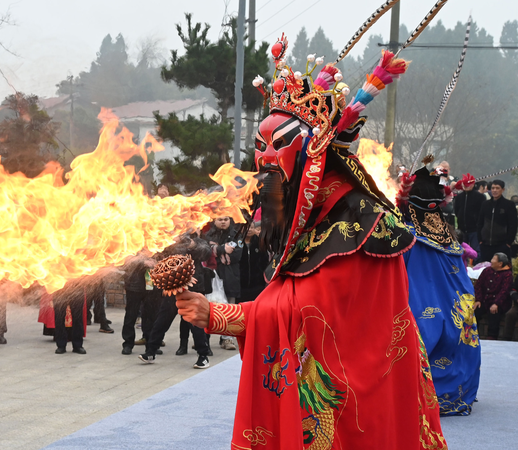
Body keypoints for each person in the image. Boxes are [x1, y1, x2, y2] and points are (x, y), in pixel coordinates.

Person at [174, 34, 445, 448]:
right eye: (260, 146)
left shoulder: (358, 220)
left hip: (362, 401)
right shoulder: (313, 216)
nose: (264, 160)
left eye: (279, 143)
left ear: (314, 150)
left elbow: (309, 309)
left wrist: (220, 315)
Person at [401, 166, 481, 416]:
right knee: (459, 332)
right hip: (457, 310)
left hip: (421, 311)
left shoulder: (406, 239)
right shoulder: (452, 241)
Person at [140, 233, 212, 369]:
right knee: (162, 321)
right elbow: (157, 254)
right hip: (172, 288)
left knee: (195, 323)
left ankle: (203, 356)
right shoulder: (168, 242)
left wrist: (191, 244)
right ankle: (150, 352)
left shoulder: (197, 242)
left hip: (192, 289)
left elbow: (205, 254)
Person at [204, 216, 241, 351]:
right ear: (214, 221)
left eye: (226, 219)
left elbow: (237, 254)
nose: (223, 221)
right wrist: (222, 250)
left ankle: (227, 339)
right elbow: (206, 253)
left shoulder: (237, 235)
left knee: (230, 309)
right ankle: (204, 340)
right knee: (209, 309)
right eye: (220, 219)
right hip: (212, 276)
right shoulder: (208, 235)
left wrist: (216, 251)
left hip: (231, 275)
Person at [120, 255, 158, 355]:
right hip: (134, 285)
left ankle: (151, 344)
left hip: (151, 285)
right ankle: (128, 344)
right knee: (131, 315)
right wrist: (143, 263)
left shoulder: (156, 241)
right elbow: (126, 261)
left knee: (150, 316)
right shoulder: (130, 241)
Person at [474, 253, 513, 340]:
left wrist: (496, 303)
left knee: (494, 312)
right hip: (484, 300)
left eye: (494, 259)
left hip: (499, 302)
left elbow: (504, 291)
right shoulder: (487, 271)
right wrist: (478, 299)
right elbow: (478, 286)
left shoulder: (507, 274)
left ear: (500, 263)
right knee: (476, 310)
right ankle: (472, 334)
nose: (491, 261)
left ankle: (492, 337)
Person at [477, 180, 518, 264]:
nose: (495, 190)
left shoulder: (509, 205)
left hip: (502, 244)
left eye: (497, 188)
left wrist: (508, 242)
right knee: (486, 268)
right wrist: (480, 239)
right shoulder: (485, 204)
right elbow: (480, 222)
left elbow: (513, 225)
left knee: (503, 269)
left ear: (503, 189)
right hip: (486, 244)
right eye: (493, 188)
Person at [52, 278, 87, 354]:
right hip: (59, 286)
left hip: (77, 285)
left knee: (78, 317)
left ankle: (77, 345)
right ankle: (61, 345)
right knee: (59, 317)